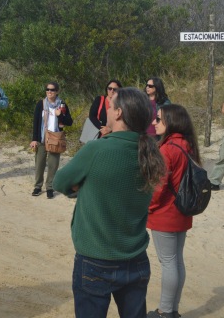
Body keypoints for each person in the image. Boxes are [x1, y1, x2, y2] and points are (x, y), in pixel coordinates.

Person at [53, 87, 165, 318]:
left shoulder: (97, 149)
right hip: (136, 259)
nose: (107, 108)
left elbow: (60, 182)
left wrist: (83, 188)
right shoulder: (151, 153)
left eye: (111, 105)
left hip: (96, 259)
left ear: (119, 113)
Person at [147, 104, 200, 318]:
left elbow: (158, 188)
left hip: (165, 213)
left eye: (158, 119)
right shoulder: (188, 145)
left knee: (169, 262)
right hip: (182, 211)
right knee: (176, 260)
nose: (154, 122)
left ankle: (165, 311)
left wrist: (146, 206)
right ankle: (172, 308)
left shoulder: (167, 148)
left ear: (171, 121)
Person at [29, 81, 73, 198]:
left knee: (53, 164)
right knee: (39, 164)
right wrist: (34, 139)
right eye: (47, 89)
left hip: (56, 138)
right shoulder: (41, 104)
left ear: (57, 91)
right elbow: (36, 122)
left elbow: (69, 122)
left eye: (52, 90)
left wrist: (60, 115)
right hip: (42, 138)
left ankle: (50, 188)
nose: (49, 92)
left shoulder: (62, 105)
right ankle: (38, 186)